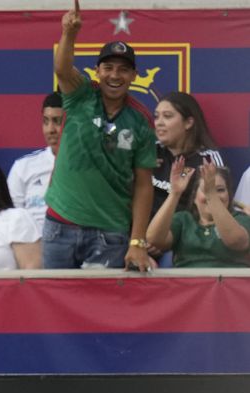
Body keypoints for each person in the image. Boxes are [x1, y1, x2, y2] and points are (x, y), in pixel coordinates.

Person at [44, 0, 156, 272]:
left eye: (123, 69)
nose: (114, 75)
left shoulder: (141, 120)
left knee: (104, 301)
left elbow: (143, 184)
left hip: (110, 233)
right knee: (53, 299)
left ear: (134, 75)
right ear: (97, 71)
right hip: (60, 225)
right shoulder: (80, 95)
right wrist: (69, 33)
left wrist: (137, 241)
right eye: (108, 68)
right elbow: (62, 69)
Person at [147, 158, 250, 267]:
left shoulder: (241, 219)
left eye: (220, 190)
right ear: (194, 196)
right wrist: (175, 193)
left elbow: (235, 241)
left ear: (229, 195)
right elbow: (154, 239)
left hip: (229, 278)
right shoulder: (183, 220)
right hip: (187, 278)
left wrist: (211, 195)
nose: (213, 194)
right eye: (205, 189)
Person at [152, 92, 223, 217]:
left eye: (167, 116)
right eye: (156, 117)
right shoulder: (149, 151)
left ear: (188, 123)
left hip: (186, 228)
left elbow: (219, 208)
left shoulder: (207, 159)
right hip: (141, 228)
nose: (159, 122)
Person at [7, 92, 64, 231]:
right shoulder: (23, 166)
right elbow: (11, 219)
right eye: (46, 121)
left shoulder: (89, 167)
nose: (50, 130)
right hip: (31, 241)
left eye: (57, 121)